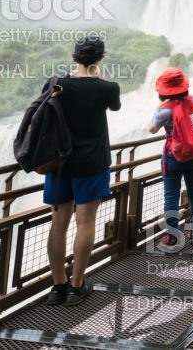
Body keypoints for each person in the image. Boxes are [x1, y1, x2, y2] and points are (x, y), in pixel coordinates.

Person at [44, 36, 121, 306]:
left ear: (74, 56)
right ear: (101, 57)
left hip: (59, 164)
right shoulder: (108, 88)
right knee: (85, 222)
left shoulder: (57, 83)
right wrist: (97, 76)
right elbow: (114, 106)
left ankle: (57, 286)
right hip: (92, 163)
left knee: (58, 224)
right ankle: (77, 286)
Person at [149, 68, 193, 251]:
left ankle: (172, 234)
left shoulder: (164, 111)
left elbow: (152, 128)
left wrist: (160, 106)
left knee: (171, 196)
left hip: (173, 157)